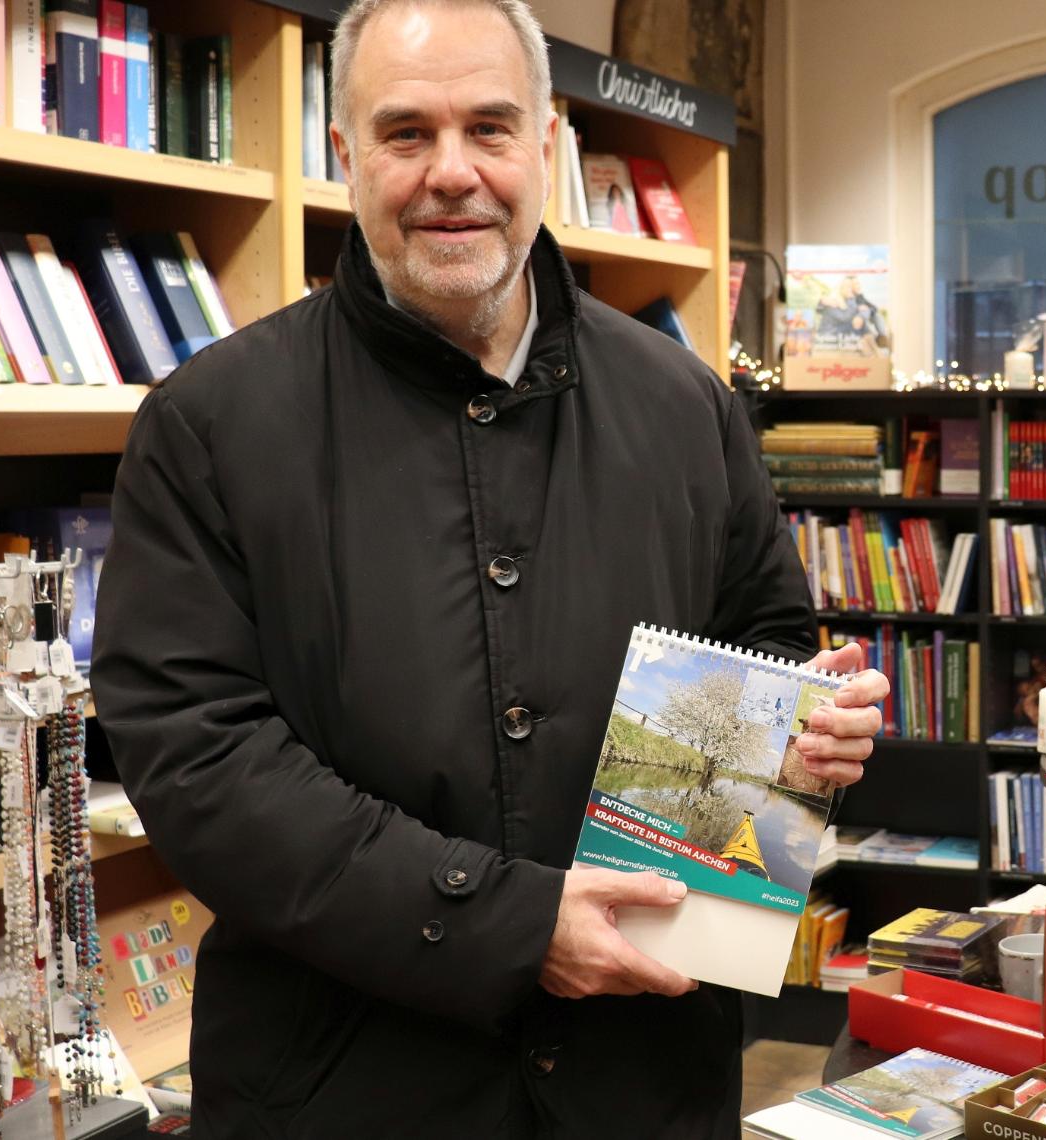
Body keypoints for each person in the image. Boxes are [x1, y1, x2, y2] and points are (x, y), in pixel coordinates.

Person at [90, 1, 886, 1135]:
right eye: (406, 133)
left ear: (545, 142)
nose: (452, 172)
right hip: (347, 1094)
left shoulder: (685, 406)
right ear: (345, 153)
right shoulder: (209, 426)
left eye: (490, 128)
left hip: (641, 1085)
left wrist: (806, 735)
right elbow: (197, 759)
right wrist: (510, 925)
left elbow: (763, 645)